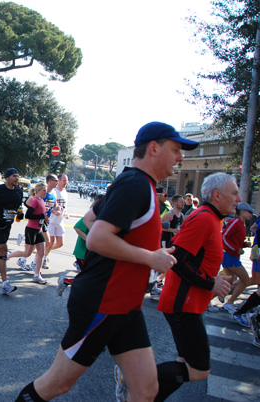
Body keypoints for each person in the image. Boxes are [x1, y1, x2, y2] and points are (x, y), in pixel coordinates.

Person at [15, 121, 198, 402]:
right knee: (57, 384)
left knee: (146, 390)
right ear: (153, 149)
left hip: (126, 306)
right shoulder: (135, 184)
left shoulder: (137, 185)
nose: (180, 157)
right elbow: (97, 238)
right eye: (175, 149)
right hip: (102, 303)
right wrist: (150, 257)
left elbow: (90, 220)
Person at [152, 173, 235, 401]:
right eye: (234, 193)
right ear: (217, 195)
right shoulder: (204, 218)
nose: (238, 198)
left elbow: (197, 259)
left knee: (184, 363)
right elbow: (177, 259)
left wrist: (213, 278)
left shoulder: (212, 218)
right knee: (198, 369)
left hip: (190, 304)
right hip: (183, 305)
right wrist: (211, 283)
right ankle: (136, 376)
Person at [9, 183, 49, 284]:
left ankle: (37, 275)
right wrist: (41, 216)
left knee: (41, 253)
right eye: (44, 190)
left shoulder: (41, 200)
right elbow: (28, 215)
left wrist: (44, 217)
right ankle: (8, 255)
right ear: (39, 190)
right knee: (27, 253)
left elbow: (40, 215)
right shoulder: (35, 200)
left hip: (39, 229)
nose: (46, 192)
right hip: (31, 229)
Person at [221, 202, 255, 315]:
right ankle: (229, 303)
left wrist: (245, 245)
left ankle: (209, 301)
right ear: (242, 212)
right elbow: (224, 237)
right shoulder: (235, 222)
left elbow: (236, 240)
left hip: (232, 256)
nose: (251, 214)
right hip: (230, 256)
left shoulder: (241, 224)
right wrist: (236, 249)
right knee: (246, 280)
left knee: (228, 282)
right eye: (249, 212)